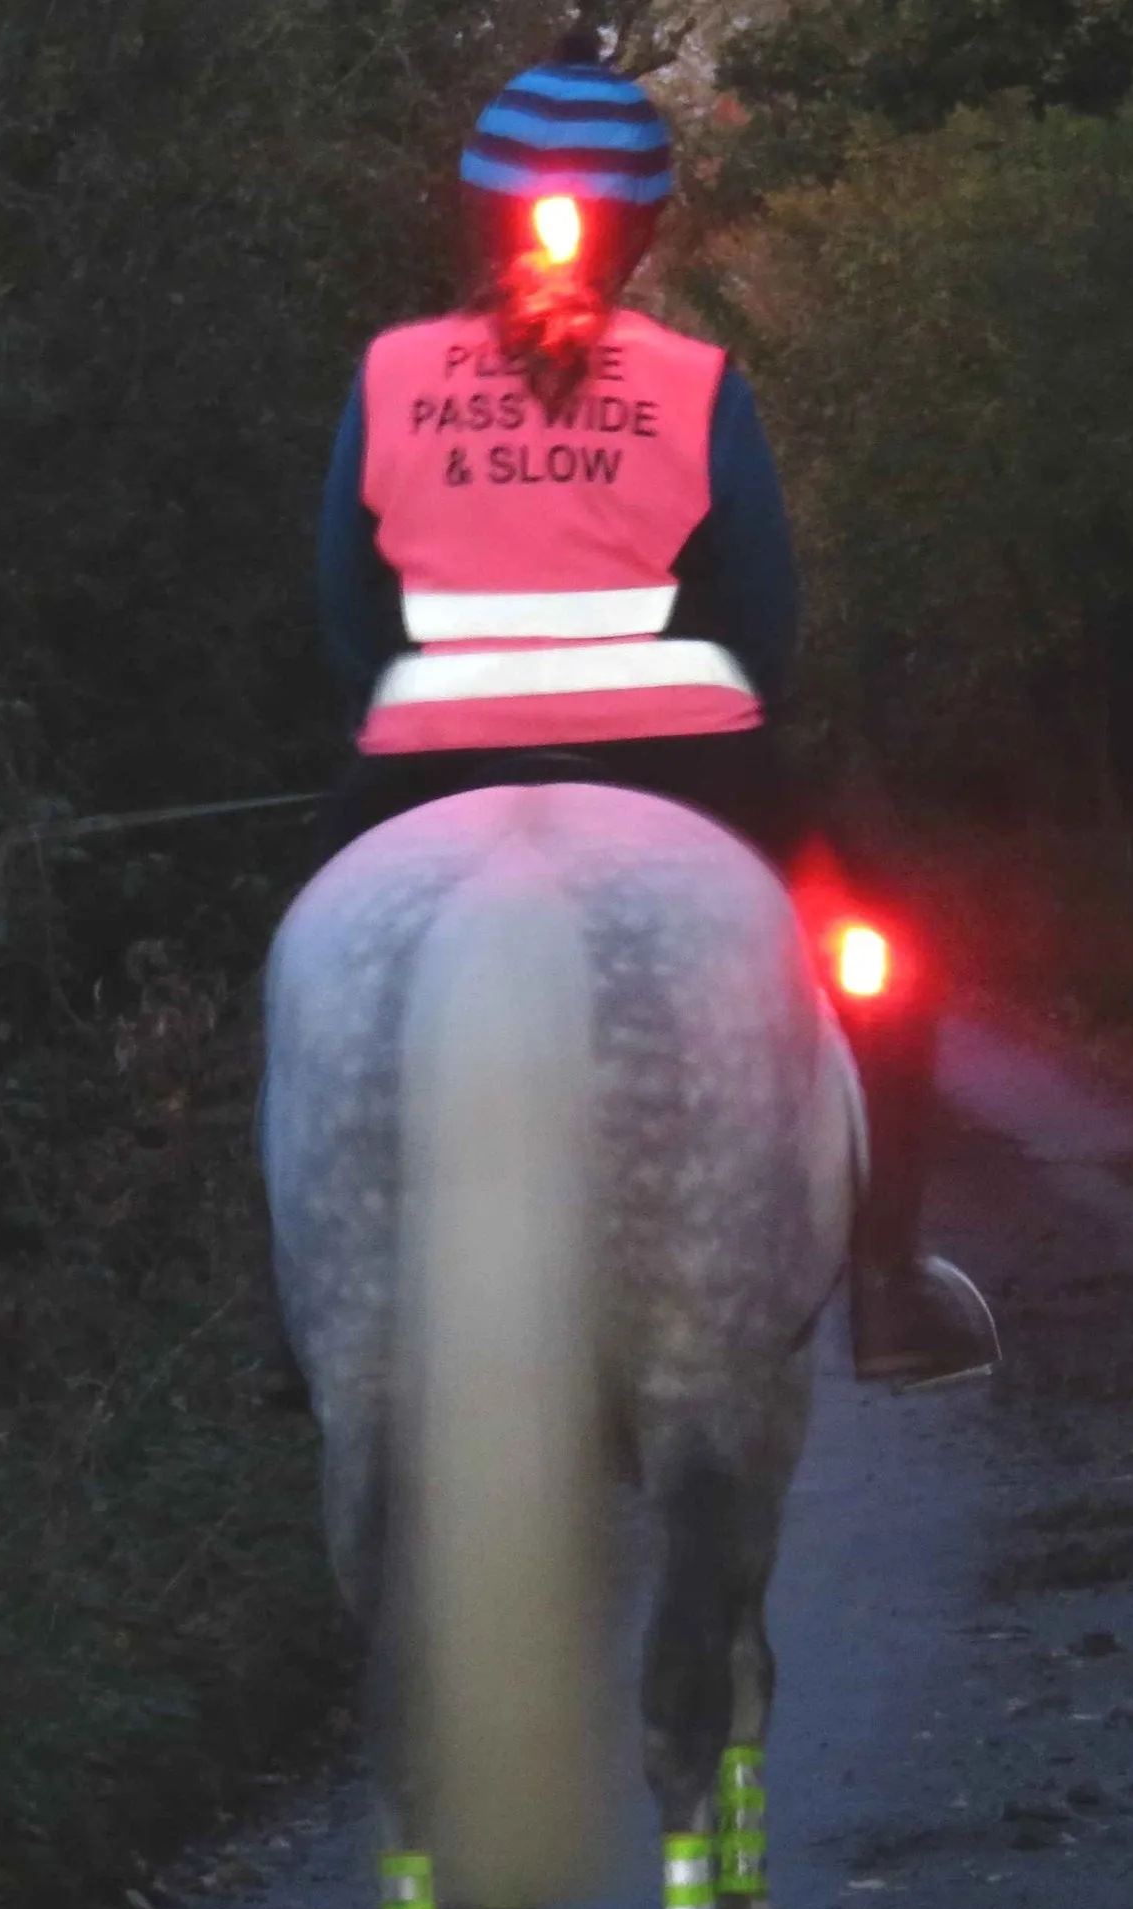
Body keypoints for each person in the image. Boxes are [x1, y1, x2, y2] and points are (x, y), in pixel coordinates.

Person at [312, 27, 969, 1377]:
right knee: (883, 970)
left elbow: (343, 608)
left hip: (425, 765)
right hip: (688, 770)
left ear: (482, 210)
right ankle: (893, 1284)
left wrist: (420, 709)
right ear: (647, 232)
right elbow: (766, 622)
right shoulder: (697, 386)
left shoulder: (388, 378)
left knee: (306, 992)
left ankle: (301, 1312)